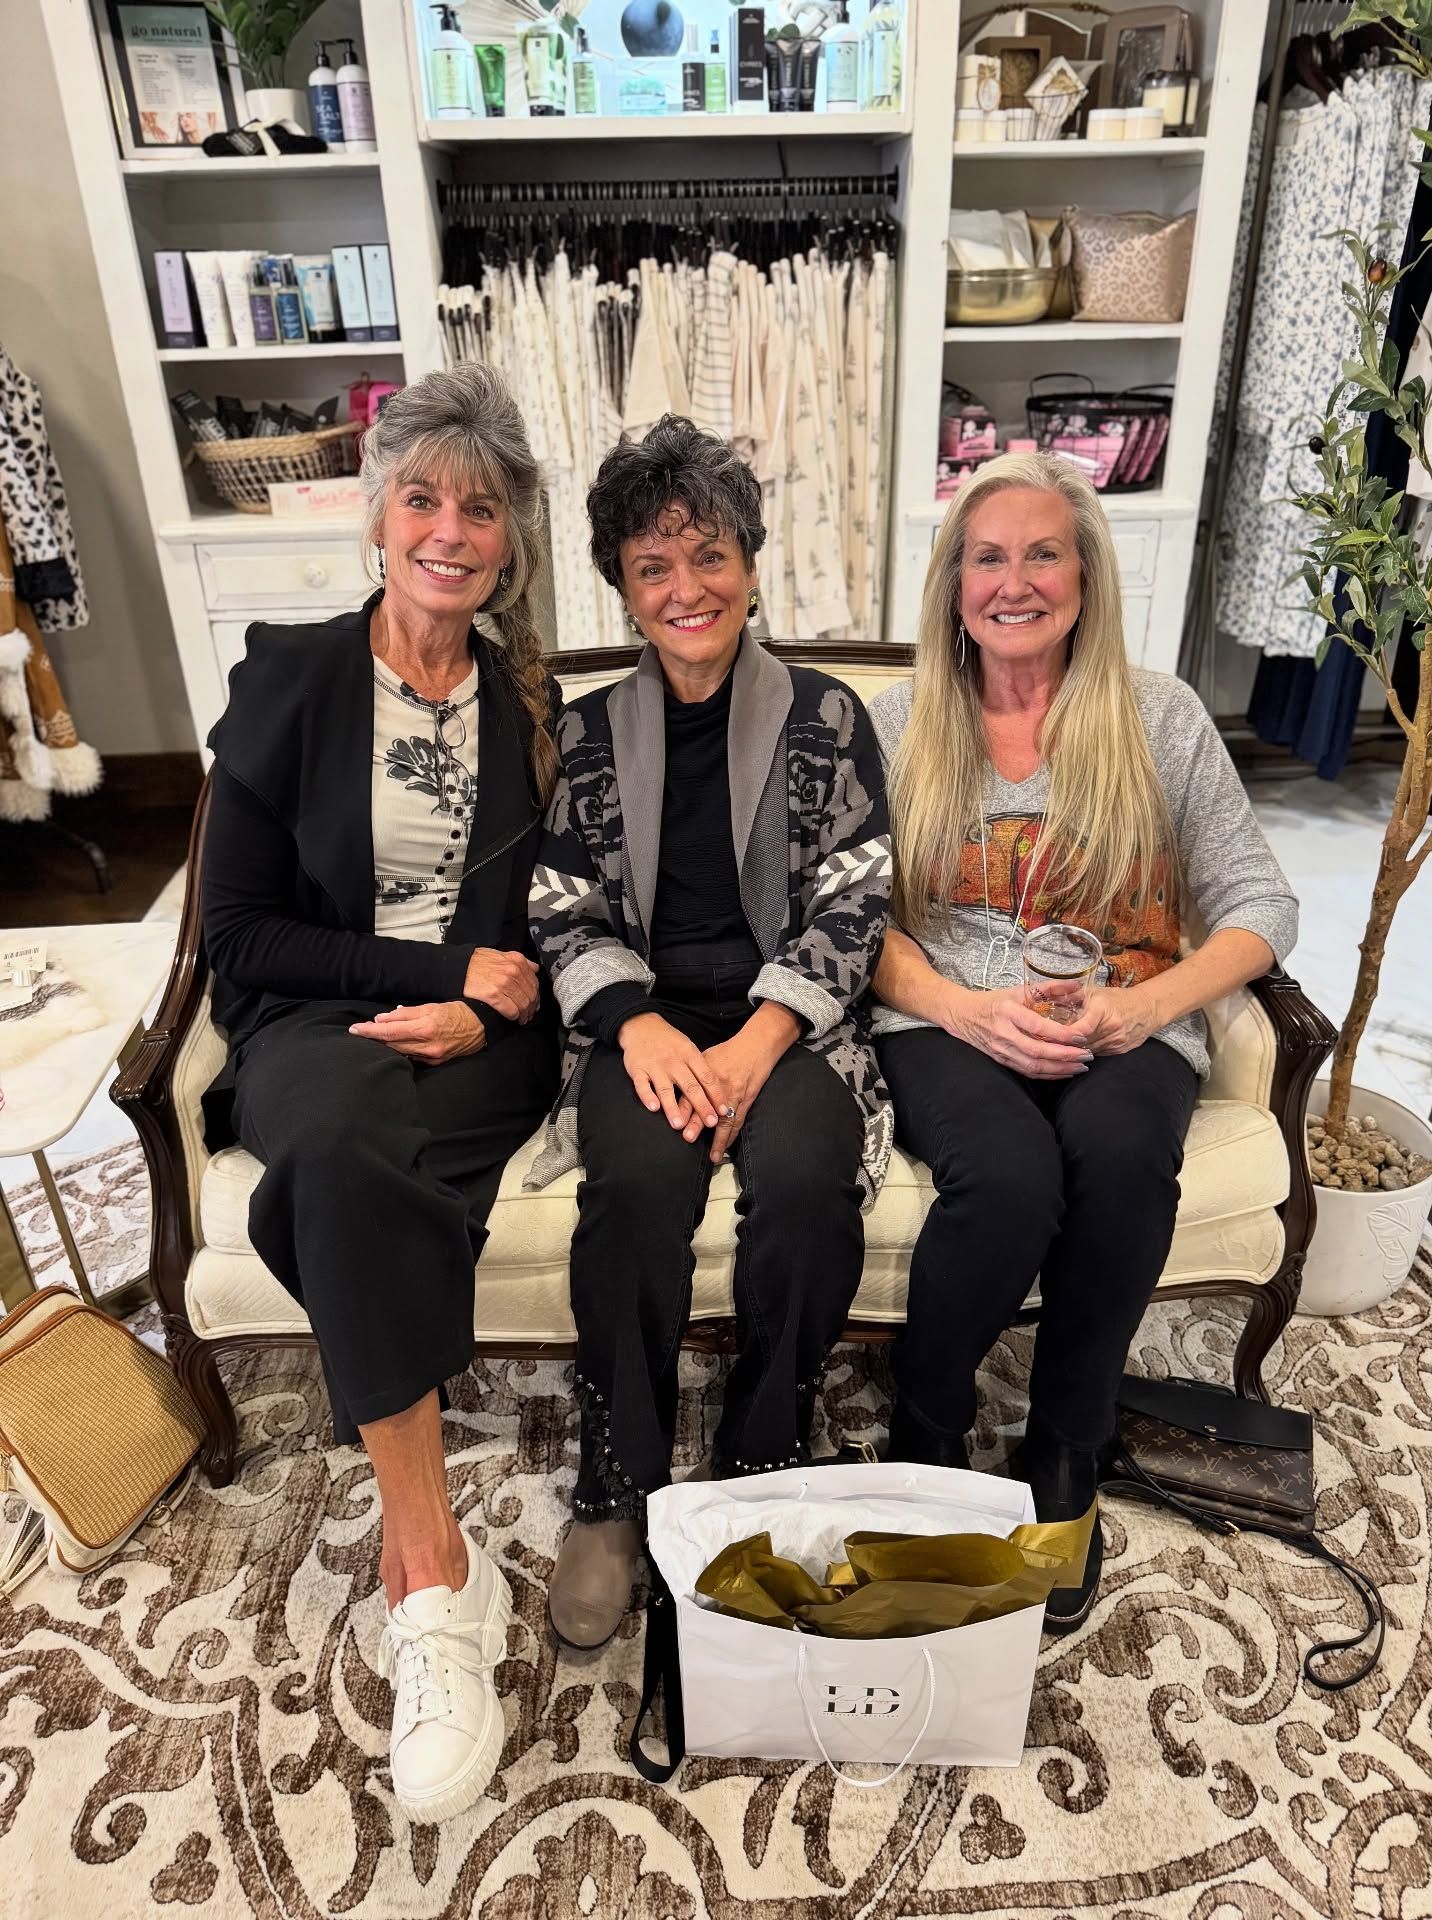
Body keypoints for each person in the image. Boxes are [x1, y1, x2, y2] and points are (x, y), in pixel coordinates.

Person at [200, 364, 561, 1823]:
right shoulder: (287, 676)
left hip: (486, 1044)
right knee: (342, 1142)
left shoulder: (535, 705)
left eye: (479, 508)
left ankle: (429, 1586)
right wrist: (433, 966)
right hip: (315, 1030)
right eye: (421, 497)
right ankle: (435, 1581)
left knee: (363, 1153)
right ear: (375, 514)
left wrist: (488, 1008)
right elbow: (241, 935)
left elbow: (556, 925)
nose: (448, 531)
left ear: (509, 541)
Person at [870, 452, 1299, 1633]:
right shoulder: (895, 721)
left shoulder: (1158, 715)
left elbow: (1264, 907)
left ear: (1085, 573)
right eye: (988, 557)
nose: (1016, 581)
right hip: (948, 1015)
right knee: (1005, 1181)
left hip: (1129, 1016)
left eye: (1042, 552)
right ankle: (931, 1418)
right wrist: (963, 1009)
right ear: (955, 584)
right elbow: (848, 921)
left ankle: (1068, 1448)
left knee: (1119, 1165)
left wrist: (1152, 1008)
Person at [526, 415, 893, 1651]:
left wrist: (760, 1037)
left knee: (798, 1177)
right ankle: (614, 1484)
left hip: (786, 1018)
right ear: (624, 587)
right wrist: (632, 1026)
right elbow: (560, 908)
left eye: (709, 556)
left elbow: (858, 900)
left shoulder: (829, 719)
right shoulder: (583, 737)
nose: (687, 589)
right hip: (642, 1022)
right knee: (632, 1183)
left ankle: (758, 1460)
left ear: (750, 560)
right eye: (653, 566)